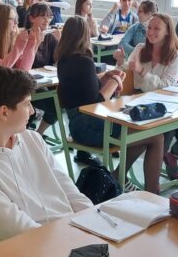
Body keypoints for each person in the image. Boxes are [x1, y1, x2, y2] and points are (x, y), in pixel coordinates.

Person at [0, 65, 92, 242]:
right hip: (35, 249)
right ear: (4, 112)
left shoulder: (32, 139)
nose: (32, 111)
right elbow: (17, 230)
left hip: (70, 233)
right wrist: (70, 238)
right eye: (27, 104)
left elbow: (67, 188)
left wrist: (92, 220)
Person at [56, 16, 165, 193]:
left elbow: (84, 92)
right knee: (155, 136)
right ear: (85, 36)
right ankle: (152, 192)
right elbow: (96, 103)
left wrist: (105, 78)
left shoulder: (64, 61)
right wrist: (114, 80)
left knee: (143, 133)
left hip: (77, 125)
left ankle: (119, 175)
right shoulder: (84, 61)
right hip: (89, 126)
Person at [113, 13, 178, 181]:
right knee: (165, 132)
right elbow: (129, 70)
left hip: (167, 104)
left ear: (167, 31)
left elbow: (165, 87)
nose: (151, 32)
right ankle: (151, 180)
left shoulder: (175, 56)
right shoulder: (140, 48)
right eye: (149, 28)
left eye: (157, 28)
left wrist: (142, 71)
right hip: (141, 102)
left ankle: (171, 157)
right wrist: (121, 62)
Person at [28, 3, 61, 135]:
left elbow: (59, 60)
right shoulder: (25, 36)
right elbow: (25, 64)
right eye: (43, 16)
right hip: (29, 84)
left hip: (47, 80)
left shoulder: (49, 36)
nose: (47, 20)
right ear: (32, 18)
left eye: (49, 17)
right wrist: (36, 43)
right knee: (55, 105)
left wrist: (61, 42)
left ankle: (39, 133)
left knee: (63, 101)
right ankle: (36, 134)